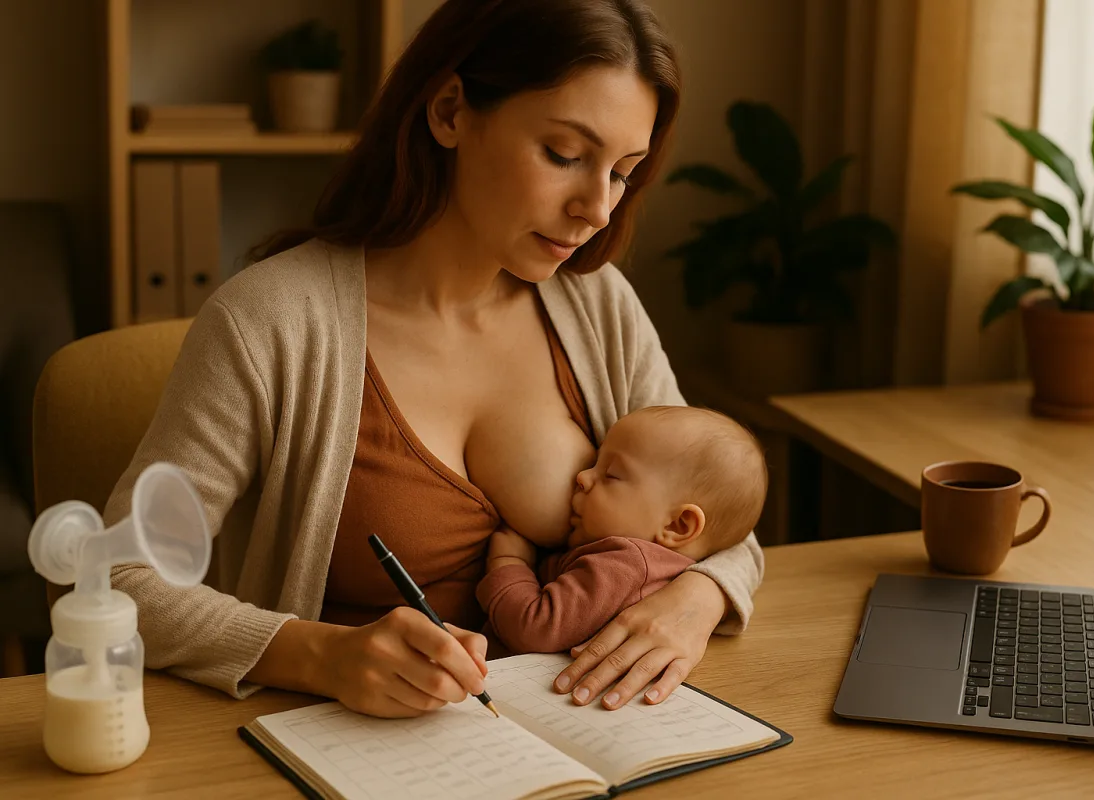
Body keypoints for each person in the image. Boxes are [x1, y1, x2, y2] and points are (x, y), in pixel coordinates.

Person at [103, 0, 764, 720]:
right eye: (565, 155)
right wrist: (321, 656)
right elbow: (119, 576)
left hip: (578, 727)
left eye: (622, 172)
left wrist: (696, 600)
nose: (597, 209)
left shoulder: (597, 304)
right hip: (352, 743)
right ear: (450, 111)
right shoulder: (268, 321)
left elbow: (713, 510)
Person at [478, 405, 768, 655]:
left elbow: (535, 629)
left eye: (611, 474)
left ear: (676, 525)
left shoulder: (624, 565)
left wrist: (509, 562)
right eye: (594, 462)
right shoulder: (646, 565)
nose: (582, 476)